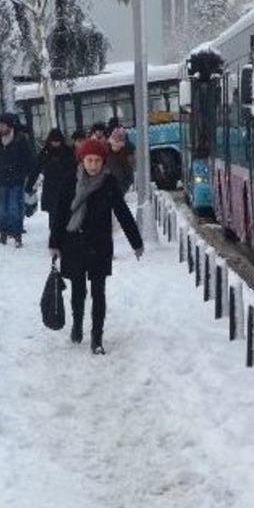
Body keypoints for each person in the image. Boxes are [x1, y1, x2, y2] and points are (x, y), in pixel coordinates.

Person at [49, 138, 144, 354]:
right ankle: (77, 324)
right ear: (82, 160)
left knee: (98, 292)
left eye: (97, 161)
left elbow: (122, 212)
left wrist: (136, 242)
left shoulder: (109, 183)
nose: (93, 165)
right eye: (89, 160)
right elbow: (60, 213)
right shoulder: (69, 181)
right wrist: (55, 243)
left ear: (103, 162)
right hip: (73, 243)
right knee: (78, 290)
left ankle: (97, 337)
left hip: (99, 245)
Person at [0, 112, 33, 247]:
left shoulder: (20, 139)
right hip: (2, 179)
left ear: (9, 126)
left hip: (16, 179)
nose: (0, 128)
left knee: (15, 207)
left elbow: (29, 159)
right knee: (3, 209)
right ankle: (4, 232)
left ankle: (17, 234)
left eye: (2, 125)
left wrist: (23, 173)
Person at [26, 128, 73, 231]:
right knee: (53, 212)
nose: (55, 144)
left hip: (66, 186)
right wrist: (29, 185)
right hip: (51, 187)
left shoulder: (68, 152)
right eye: (53, 141)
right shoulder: (46, 152)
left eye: (57, 141)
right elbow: (36, 169)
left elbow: (74, 168)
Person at [106, 126, 135, 195]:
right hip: (110, 183)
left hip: (123, 181)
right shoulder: (107, 148)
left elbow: (131, 165)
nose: (118, 138)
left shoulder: (127, 148)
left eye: (121, 136)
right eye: (116, 135)